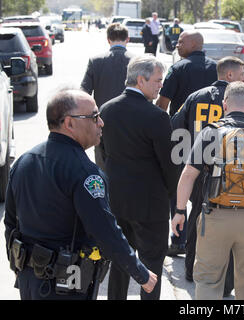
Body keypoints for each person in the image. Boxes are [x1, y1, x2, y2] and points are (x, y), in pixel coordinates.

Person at [4, 89, 158, 300]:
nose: (101, 122)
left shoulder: (24, 161)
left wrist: (20, 268)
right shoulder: (85, 173)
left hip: (30, 282)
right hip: (65, 286)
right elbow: (106, 231)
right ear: (69, 123)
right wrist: (140, 273)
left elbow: (11, 225)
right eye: (94, 116)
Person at [171, 82, 244, 300]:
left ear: (224, 105)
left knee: (207, 279)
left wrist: (179, 211)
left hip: (215, 216)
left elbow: (188, 175)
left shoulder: (209, 133)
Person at [97, 55, 178, 300]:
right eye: (157, 81)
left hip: (116, 200)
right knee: (151, 264)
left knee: (121, 261)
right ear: (140, 80)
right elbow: (169, 165)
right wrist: (173, 199)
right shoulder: (156, 116)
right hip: (150, 205)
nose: (160, 86)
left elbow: (101, 154)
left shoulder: (106, 110)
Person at [80, 23, 134, 170]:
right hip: (132, 122)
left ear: (108, 39)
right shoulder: (137, 62)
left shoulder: (96, 61)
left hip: (102, 120)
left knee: (102, 165)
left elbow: (83, 93)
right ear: (127, 39)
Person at [156, 30, 217, 116]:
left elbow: (162, 104)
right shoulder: (217, 68)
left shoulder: (178, 68)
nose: (177, 46)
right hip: (210, 127)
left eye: (181, 42)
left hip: (182, 127)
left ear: (193, 44)